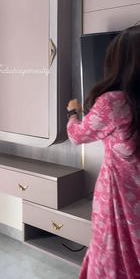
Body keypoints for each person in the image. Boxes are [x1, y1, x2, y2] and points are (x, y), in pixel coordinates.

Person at [66, 25, 140, 279]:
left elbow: (77, 135)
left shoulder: (113, 103)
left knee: (111, 256)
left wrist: (72, 111)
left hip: (118, 198)